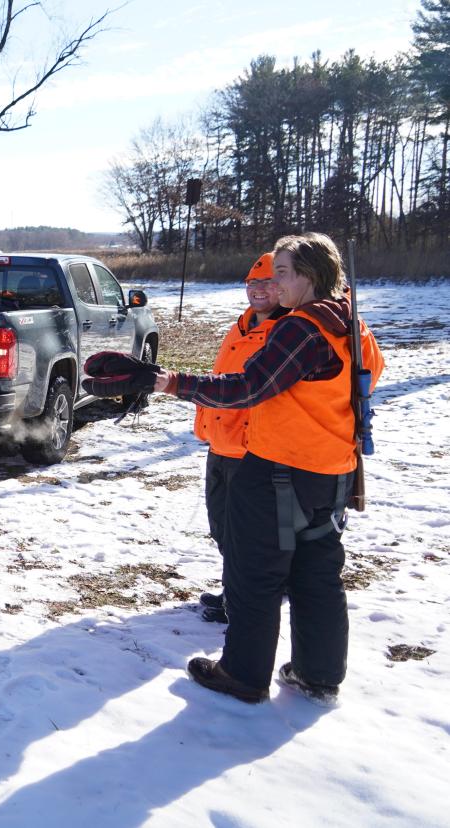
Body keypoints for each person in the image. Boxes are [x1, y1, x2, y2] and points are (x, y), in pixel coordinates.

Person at [153, 232, 385, 704]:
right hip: (332, 471)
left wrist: (172, 382)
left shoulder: (302, 327)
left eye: (282, 272)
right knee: (317, 573)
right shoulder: (353, 326)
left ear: (310, 276)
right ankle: (318, 674)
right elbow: (368, 379)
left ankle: (243, 675)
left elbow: (248, 386)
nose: (272, 282)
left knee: (254, 572)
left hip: (281, 470)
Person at [194, 253, 287, 624]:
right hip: (221, 442)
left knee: (248, 535)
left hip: (254, 449)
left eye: (267, 283)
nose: (259, 290)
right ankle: (237, 591)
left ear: (284, 286)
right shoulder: (241, 326)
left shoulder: (288, 330)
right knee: (222, 528)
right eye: (253, 283)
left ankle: (248, 600)